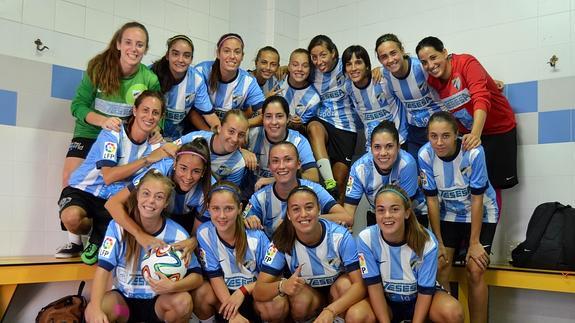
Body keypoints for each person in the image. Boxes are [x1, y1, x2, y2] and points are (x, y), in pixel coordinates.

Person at [60, 21, 161, 257]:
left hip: (121, 138)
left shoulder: (148, 78)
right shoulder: (98, 67)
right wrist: (102, 121)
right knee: (70, 179)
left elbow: (155, 109)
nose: (133, 49)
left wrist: (157, 132)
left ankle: (103, 227)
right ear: (118, 44)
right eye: (128, 42)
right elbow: (78, 106)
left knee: (115, 185)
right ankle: (75, 240)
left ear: (145, 49)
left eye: (140, 45)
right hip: (91, 131)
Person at [57, 91, 170, 263]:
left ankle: (102, 234)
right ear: (135, 110)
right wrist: (146, 160)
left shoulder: (157, 146)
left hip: (112, 199)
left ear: (160, 117)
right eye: (145, 110)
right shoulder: (113, 132)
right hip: (84, 189)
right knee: (71, 217)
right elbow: (108, 176)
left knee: (136, 204)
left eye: (155, 113)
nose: (149, 116)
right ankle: (93, 232)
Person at [84, 170, 204, 323]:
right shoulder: (118, 227)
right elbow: (103, 270)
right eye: (146, 193)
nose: (151, 201)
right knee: (93, 311)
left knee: (183, 302)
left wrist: (173, 287)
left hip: (158, 305)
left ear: (166, 203)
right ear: (137, 195)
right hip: (124, 307)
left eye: (159, 197)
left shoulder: (178, 234)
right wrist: (95, 308)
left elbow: (197, 277)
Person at [416, 36, 518, 212]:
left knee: (491, 187)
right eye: (424, 62)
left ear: (445, 53)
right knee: (468, 185)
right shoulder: (432, 81)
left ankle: (486, 238)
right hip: (467, 134)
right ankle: (469, 236)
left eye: (433, 58)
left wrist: (476, 135)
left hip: (497, 130)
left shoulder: (466, 63)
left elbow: (480, 97)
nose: (430, 65)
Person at [418, 111, 499, 323]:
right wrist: (439, 241)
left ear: (456, 134)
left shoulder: (473, 153)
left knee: (475, 267)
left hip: (482, 213)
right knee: (441, 263)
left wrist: (474, 243)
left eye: (445, 135)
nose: (439, 142)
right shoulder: (425, 155)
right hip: (449, 214)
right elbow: (432, 201)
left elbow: (477, 199)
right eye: (433, 136)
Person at [253, 186, 375, 322]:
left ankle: (337, 318)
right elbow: (259, 291)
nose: (303, 214)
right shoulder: (281, 240)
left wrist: (330, 310)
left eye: (309, 207)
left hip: (337, 294)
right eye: (296, 209)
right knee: (299, 300)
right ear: (288, 215)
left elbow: (360, 285)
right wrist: (283, 286)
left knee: (345, 285)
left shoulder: (340, 236)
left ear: (319, 210)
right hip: (310, 297)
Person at [357, 184, 463, 323]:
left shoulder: (427, 241)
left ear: (407, 213)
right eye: (381, 210)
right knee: (356, 315)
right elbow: (374, 287)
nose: (387, 215)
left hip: (420, 300)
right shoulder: (366, 239)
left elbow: (425, 292)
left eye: (394, 209)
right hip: (387, 302)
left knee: (452, 312)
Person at [196, 182, 289, 323]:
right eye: (215, 208)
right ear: (208, 208)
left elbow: (274, 279)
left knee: (276, 302)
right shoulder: (204, 233)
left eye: (229, 208)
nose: (222, 215)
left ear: (240, 208)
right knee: (202, 292)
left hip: (255, 294)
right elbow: (215, 277)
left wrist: (243, 290)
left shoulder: (257, 236)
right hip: (226, 297)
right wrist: (233, 315)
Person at [105, 137, 212, 257]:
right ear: (175, 163)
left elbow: (197, 231)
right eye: (183, 168)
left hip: (184, 221)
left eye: (196, 171)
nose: (188, 177)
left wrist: (193, 241)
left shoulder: (208, 188)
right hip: (154, 216)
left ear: (203, 172)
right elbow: (112, 204)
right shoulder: (158, 171)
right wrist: (139, 234)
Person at [244, 141, 351, 238]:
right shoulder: (260, 197)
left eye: (288, 160)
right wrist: (248, 221)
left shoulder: (313, 189)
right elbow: (241, 221)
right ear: (270, 166)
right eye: (275, 161)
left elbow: (347, 217)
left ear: (298, 164)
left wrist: (306, 220)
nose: (281, 166)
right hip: (275, 253)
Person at [306, 35, 362, 202]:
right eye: (314, 57)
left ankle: (341, 224)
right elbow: (297, 70)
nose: (318, 61)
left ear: (333, 53)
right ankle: (328, 180)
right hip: (324, 123)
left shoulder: (345, 67)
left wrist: (375, 70)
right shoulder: (311, 72)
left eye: (323, 55)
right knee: (314, 127)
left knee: (340, 184)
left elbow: (362, 68)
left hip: (346, 128)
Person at [375, 33, 445, 161]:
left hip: (440, 127)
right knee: (416, 173)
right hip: (415, 132)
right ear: (379, 60)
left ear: (402, 50)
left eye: (393, 53)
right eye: (384, 57)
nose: (390, 60)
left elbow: (448, 68)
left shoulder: (422, 66)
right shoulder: (385, 75)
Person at [344, 120, 427, 227]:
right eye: (377, 147)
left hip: (412, 214)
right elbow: (348, 212)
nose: (383, 153)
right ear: (371, 148)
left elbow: (404, 210)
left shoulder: (407, 163)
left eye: (389, 146)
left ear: (398, 147)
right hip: (377, 213)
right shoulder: (359, 168)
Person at [150, 34, 220, 141]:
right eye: (175, 54)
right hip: (152, 134)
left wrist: (220, 133)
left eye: (186, 56)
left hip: (179, 138)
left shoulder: (197, 80)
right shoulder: (151, 74)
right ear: (167, 56)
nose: (181, 59)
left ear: (191, 59)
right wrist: (155, 133)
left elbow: (209, 115)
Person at [191, 33, 265, 130]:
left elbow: (265, 114)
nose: (232, 56)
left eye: (237, 52)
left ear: (242, 56)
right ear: (218, 53)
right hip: (197, 132)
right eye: (226, 51)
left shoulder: (248, 82)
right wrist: (211, 135)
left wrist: (240, 124)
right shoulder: (201, 71)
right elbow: (192, 111)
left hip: (228, 135)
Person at [246, 95, 319, 193]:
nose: (274, 122)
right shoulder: (252, 135)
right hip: (252, 195)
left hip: (287, 197)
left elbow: (313, 177)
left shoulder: (298, 141)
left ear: (288, 118)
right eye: (268, 116)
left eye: (279, 116)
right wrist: (241, 151)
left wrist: (276, 179)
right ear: (262, 118)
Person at [342, 45, 407, 152]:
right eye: (349, 64)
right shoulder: (348, 88)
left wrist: (380, 69)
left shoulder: (383, 79)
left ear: (367, 66)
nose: (353, 68)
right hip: (372, 147)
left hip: (400, 141)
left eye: (358, 62)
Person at [175, 109, 250, 187]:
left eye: (241, 135)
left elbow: (228, 192)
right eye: (231, 131)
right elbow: (168, 149)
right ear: (219, 128)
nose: (235, 139)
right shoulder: (194, 138)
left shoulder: (238, 164)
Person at [276, 48, 321, 133]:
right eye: (295, 65)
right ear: (289, 66)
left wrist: (298, 124)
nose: (300, 69)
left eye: (305, 66)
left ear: (310, 69)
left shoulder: (314, 99)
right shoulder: (279, 79)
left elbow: (305, 129)